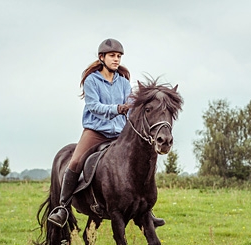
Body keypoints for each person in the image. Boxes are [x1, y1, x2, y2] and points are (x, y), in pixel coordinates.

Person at [47, 38, 165, 228]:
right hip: (96, 131)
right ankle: (62, 207)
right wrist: (117, 108)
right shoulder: (91, 80)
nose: (116, 59)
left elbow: (131, 107)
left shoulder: (124, 82)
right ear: (102, 57)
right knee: (75, 161)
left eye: (119, 56)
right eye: (112, 56)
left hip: (120, 132)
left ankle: (146, 210)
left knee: (140, 161)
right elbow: (93, 106)